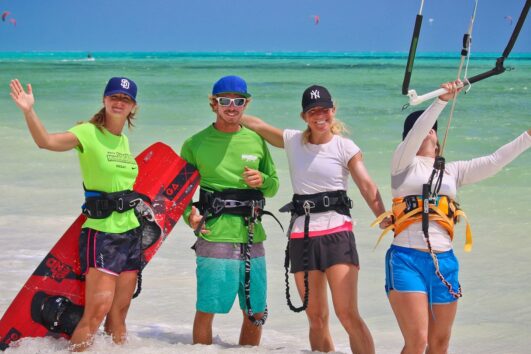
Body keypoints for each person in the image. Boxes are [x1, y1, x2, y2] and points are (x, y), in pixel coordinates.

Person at [374, 80, 531, 354]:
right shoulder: (402, 165)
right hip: (406, 259)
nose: (423, 133)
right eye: (417, 130)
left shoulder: (453, 171)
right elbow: (416, 133)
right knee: (417, 341)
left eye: (429, 131)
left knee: (439, 344)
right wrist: (441, 100)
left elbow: (495, 161)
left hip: (444, 261)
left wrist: (528, 136)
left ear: (436, 138)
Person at [242, 85, 388, 353]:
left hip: (337, 235)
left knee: (347, 315)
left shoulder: (345, 147)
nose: (319, 116)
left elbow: (366, 184)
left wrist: (383, 215)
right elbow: (258, 125)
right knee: (316, 319)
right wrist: (232, 109)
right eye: (312, 111)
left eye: (324, 110)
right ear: (304, 116)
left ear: (333, 111)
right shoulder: (293, 140)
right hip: (302, 237)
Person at [10, 77, 143, 351]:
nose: (119, 102)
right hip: (103, 233)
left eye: (126, 99)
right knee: (95, 314)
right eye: (114, 97)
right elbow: (46, 142)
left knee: (119, 312)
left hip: (131, 232)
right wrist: (28, 111)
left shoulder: (123, 142)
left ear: (133, 107)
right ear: (104, 100)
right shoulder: (87, 132)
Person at [180, 75, 279, 346]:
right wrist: (190, 215)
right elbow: (179, 192)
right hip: (214, 234)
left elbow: (273, 185)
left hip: (252, 235)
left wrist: (263, 181)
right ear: (214, 104)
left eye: (238, 101)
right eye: (225, 101)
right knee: (207, 308)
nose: (232, 106)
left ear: (246, 104)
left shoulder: (256, 141)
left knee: (255, 311)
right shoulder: (195, 143)